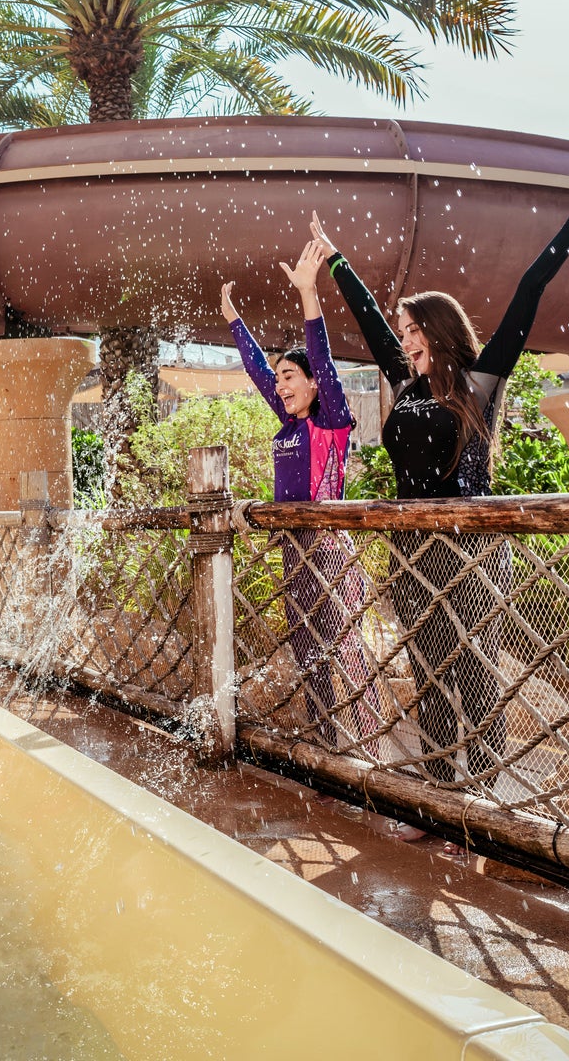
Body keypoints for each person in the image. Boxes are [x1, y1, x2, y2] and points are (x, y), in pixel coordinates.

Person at [308, 160, 569, 787]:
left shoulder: (478, 383)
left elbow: (527, 292)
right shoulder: (404, 381)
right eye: (403, 330)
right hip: (411, 547)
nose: (403, 338)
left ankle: (485, 794)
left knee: (473, 670)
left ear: (438, 332)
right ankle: (439, 792)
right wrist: (335, 261)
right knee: (427, 664)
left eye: (413, 330)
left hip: (471, 547)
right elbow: (366, 316)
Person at [220, 240, 385, 756]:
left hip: (330, 550)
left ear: (314, 385)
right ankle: (328, 751)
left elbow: (322, 357)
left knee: (348, 652)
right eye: (280, 380)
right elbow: (255, 370)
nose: (281, 384)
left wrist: (309, 292)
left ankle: (373, 756)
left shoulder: (330, 420)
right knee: (309, 651)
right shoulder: (288, 419)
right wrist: (232, 321)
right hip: (294, 552)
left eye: (290, 376)